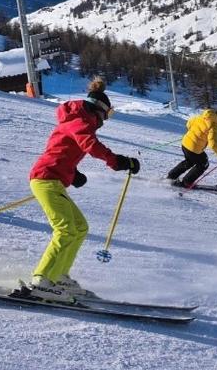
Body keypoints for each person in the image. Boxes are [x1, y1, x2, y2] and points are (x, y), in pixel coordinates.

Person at [15, 78, 140, 303]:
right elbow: (90, 145)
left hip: (53, 178)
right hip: (46, 179)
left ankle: (59, 276)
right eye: (107, 115)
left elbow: (62, 150)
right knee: (65, 229)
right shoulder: (80, 121)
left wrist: (72, 174)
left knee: (80, 227)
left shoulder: (77, 120)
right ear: (99, 111)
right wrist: (117, 161)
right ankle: (41, 280)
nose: (104, 121)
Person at [167, 105, 217, 188]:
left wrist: (194, 133)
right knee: (203, 163)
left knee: (189, 161)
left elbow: (189, 123)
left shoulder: (202, 116)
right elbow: (213, 144)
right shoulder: (214, 125)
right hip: (194, 148)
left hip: (185, 143)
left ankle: (171, 176)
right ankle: (187, 182)